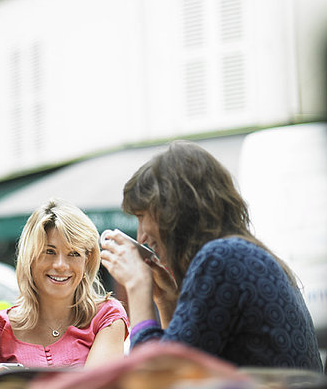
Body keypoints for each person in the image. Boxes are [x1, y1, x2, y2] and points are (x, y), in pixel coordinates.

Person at [100, 140, 322, 371]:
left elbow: (157, 379)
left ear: (173, 211)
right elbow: (185, 357)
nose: (141, 236)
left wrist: (137, 286)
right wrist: (166, 301)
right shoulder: (242, 254)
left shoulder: (219, 259)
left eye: (142, 216)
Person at [0, 198, 129, 369]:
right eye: (49, 252)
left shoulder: (107, 316)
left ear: (87, 260)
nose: (61, 265)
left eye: (73, 254)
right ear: (30, 257)